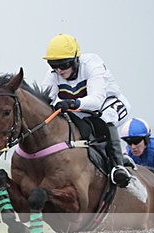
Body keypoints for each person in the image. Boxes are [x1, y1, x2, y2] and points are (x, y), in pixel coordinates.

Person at [41, 34, 133, 187]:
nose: (59, 70)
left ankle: (118, 167)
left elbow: (96, 101)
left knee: (106, 117)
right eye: (53, 65)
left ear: (75, 60)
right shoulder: (53, 75)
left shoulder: (92, 65)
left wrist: (71, 103)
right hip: (82, 109)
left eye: (63, 65)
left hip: (109, 103)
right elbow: (45, 99)